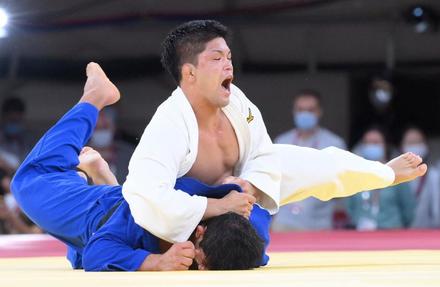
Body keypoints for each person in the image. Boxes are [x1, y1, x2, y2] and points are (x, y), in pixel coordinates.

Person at [122, 19, 428, 243]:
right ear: (189, 73)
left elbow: (264, 153)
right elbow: (145, 195)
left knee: (322, 164)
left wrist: (249, 189)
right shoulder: (168, 126)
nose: (228, 66)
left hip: (244, 188)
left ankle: (383, 174)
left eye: (229, 57)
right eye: (216, 59)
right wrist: (217, 205)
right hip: (192, 213)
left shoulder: (237, 101)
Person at [11, 63, 264, 271]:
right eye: (203, 262)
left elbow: (255, 242)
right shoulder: (165, 206)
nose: (201, 270)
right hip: (99, 214)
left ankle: (102, 175)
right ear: (199, 232)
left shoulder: (243, 241)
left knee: (83, 254)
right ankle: (94, 97)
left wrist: (245, 186)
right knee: (29, 181)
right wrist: (157, 262)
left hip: (121, 214)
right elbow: (97, 254)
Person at [272, 90, 347, 231]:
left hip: (320, 222)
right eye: (300, 110)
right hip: (284, 221)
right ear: (294, 112)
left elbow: (342, 185)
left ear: (319, 112)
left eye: (310, 110)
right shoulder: (281, 142)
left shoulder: (334, 144)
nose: (304, 114)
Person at [346, 127, 415, 230]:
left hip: (392, 233)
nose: (371, 146)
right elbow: (350, 208)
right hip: (361, 235)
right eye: (367, 143)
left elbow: (408, 210)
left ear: (385, 145)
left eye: (376, 142)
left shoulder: (397, 172)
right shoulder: (355, 174)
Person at [401, 127, 440, 228]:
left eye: (417, 142)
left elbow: (436, 209)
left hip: (426, 232)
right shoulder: (395, 175)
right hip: (400, 231)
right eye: (410, 143)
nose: (414, 146)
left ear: (425, 145)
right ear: (402, 147)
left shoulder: (433, 175)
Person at [88, 108, 135, 184]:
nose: (100, 132)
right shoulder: (77, 157)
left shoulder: (129, 154)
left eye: (104, 127)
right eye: (96, 128)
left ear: (114, 128)